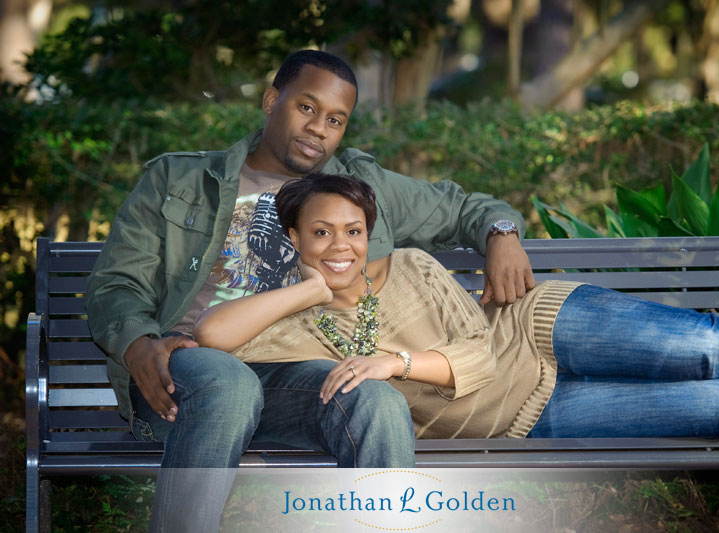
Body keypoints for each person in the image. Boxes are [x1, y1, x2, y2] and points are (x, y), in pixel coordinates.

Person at [85, 49, 533, 532]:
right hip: (186, 377)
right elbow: (117, 284)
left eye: (336, 120)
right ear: (272, 99)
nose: (320, 128)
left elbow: (462, 206)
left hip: (289, 376)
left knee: (375, 401)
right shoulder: (179, 179)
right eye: (307, 108)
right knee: (228, 381)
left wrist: (502, 231)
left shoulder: (357, 188)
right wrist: (137, 346)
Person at [196, 173, 719, 446]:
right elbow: (213, 335)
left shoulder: (409, 266)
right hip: (521, 416)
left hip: (538, 330)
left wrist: (395, 363)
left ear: (369, 233)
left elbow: (480, 352)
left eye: (353, 231)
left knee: (713, 349)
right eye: (320, 233)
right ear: (295, 239)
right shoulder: (293, 328)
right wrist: (308, 291)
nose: (340, 247)